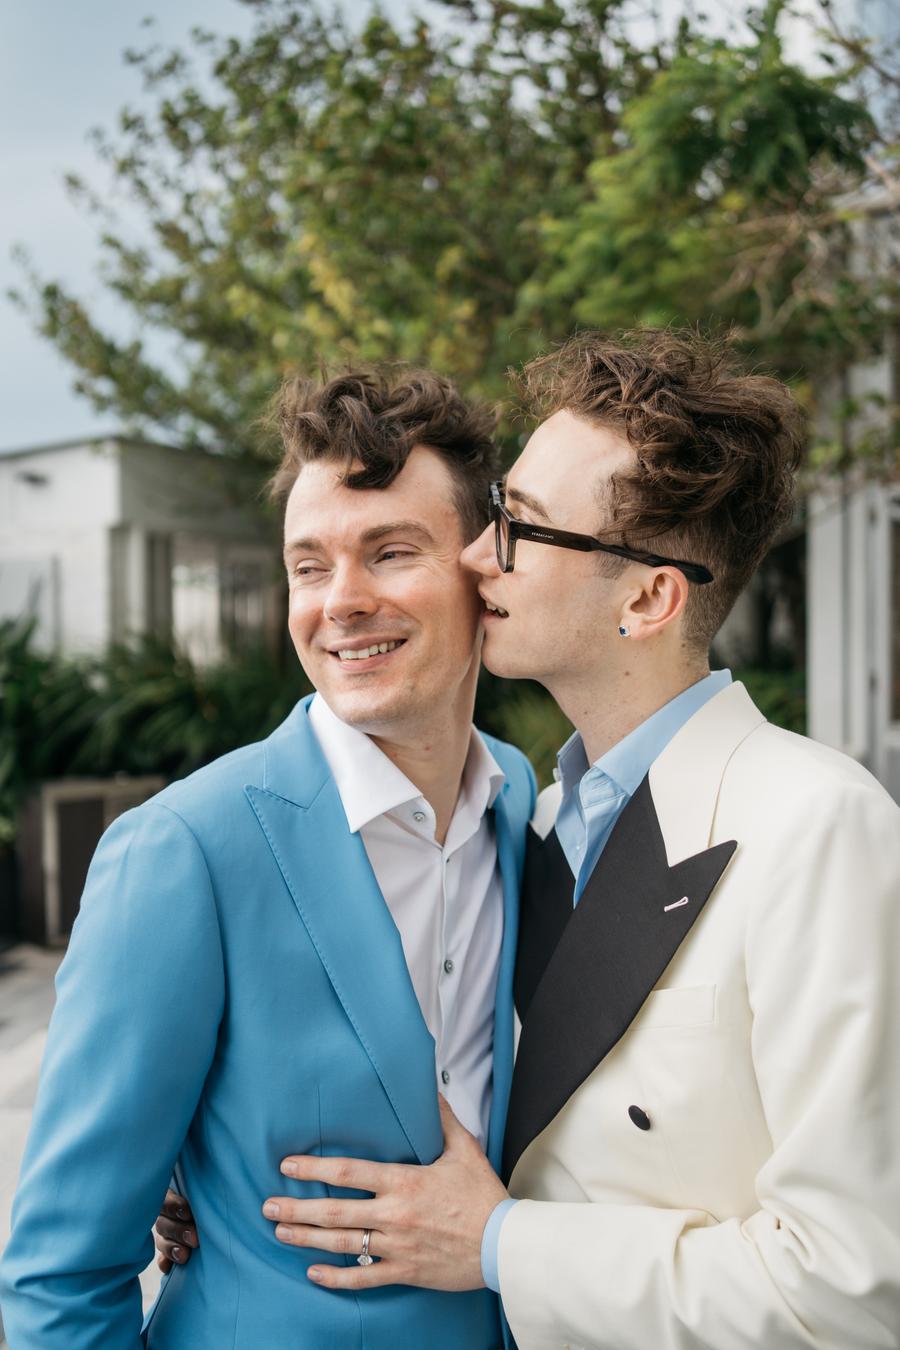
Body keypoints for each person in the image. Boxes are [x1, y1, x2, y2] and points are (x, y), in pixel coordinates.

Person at [241, 332, 900, 1350]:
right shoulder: (528, 818)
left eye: (521, 527)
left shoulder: (819, 827)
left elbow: (855, 1289)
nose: (475, 555)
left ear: (648, 597)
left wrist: (502, 1244)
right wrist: (214, 1174)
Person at [0, 369, 536, 1348]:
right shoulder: (182, 853)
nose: (342, 602)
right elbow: (60, 1278)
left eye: (391, 552)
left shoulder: (520, 800)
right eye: (309, 566)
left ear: (483, 570)